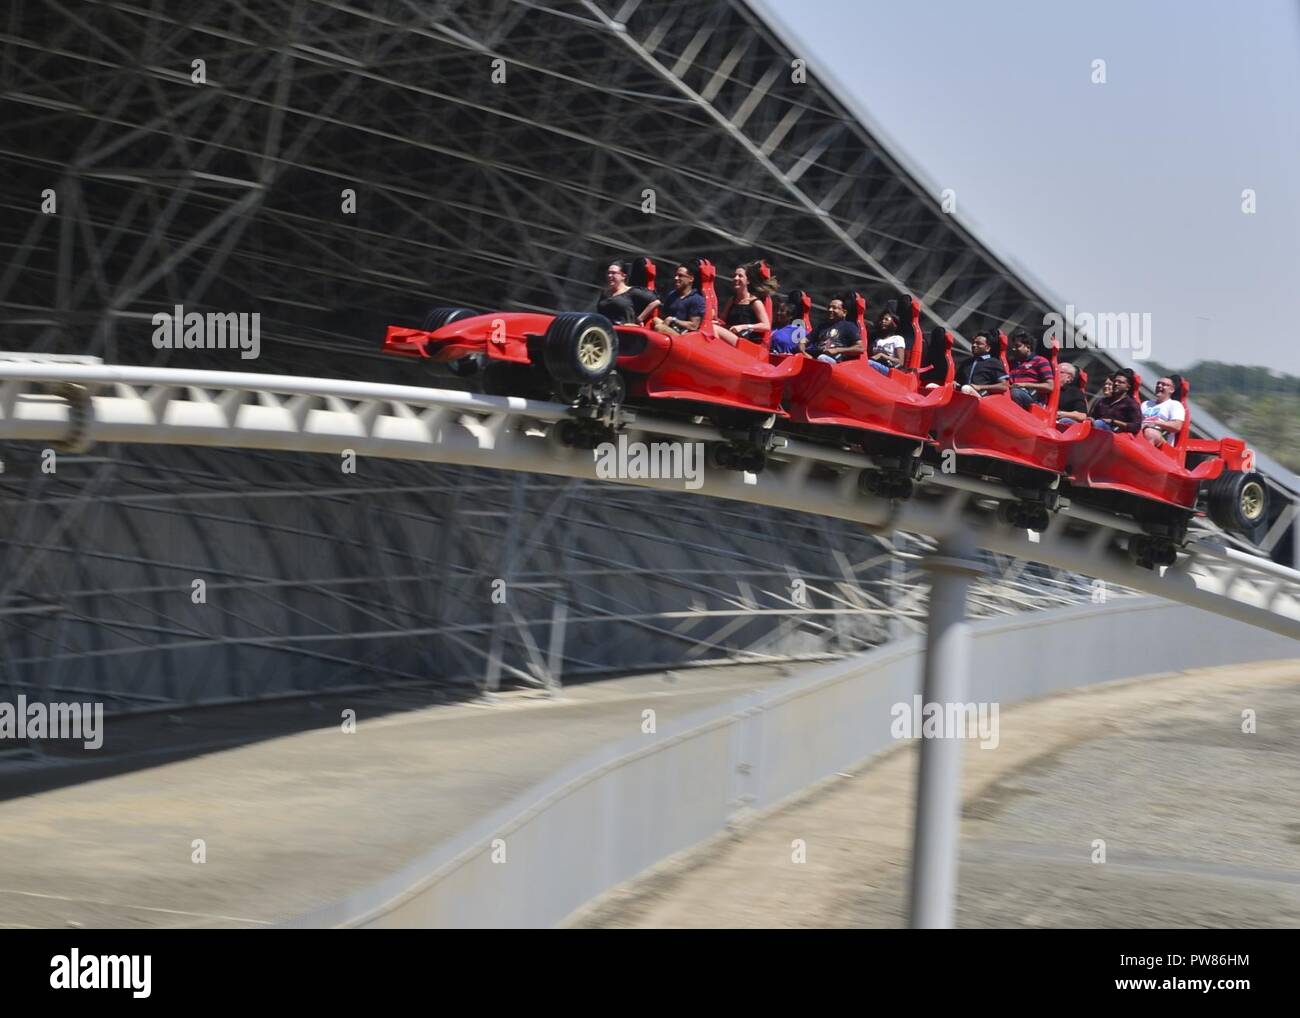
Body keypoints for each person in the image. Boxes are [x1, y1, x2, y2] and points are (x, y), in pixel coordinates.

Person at [714, 261, 779, 347]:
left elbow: (766, 326)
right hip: (732, 337)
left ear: (748, 281)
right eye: (735, 275)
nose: (736, 278)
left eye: (740, 276)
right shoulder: (732, 300)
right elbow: (722, 321)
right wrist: (715, 322)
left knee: (715, 329)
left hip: (747, 343)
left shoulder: (755, 302)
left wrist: (744, 327)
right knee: (712, 327)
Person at [651, 263, 706, 335]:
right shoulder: (672, 295)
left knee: (659, 328)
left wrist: (674, 320)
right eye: (676, 275)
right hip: (669, 328)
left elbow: (694, 326)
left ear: (691, 279)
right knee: (655, 320)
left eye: (680, 276)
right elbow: (663, 316)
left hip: (683, 336)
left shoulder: (696, 299)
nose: (676, 278)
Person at [808, 296, 863, 364]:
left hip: (836, 362)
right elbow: (805, 341)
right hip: (817, 358)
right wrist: (803, 352)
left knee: (822, 358)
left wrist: (837, 350)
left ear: (844, 312)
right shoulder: (821, 326)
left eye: (834, 308)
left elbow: (860, 348)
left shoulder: (849, 326)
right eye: (829, 307)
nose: (830, 310)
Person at [1006, 330, 1053, 408]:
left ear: (1028, 347)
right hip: (1013, 394)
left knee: (1015, 393)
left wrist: (1024, 385)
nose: (1014, 349)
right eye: (1013, 347)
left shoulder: (1040, 361)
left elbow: (1049, 386)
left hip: (1033, 401)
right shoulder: (1012, 363)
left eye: (1017, 346)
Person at [954, 331, 1008, 396]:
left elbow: (1003, 386)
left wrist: (980, 387)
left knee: (966, 388)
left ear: (987, 348)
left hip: (983, 397)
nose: (974, 345)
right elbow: (957, 380)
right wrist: (954, 383)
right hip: (963, 394)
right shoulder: (966, 362)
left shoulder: (994, 362)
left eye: (978, 343)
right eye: (973, 343)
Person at [1139, 375, 1186, 447]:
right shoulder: (1146, 404)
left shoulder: (1175, 405)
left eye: (1164, 385)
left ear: (1172, 390)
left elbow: (1177, 426)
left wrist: (1155, 423)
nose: (1159, 386)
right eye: (1158, 383)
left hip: (1161, 439)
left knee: (1150, 433)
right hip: (1142, 431)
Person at [864, 311, 907, 376]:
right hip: (875, 364)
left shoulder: (897, 338)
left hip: (889, 369)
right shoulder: (877, 340)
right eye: (882, 319)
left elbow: (900, 362)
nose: (883, 321)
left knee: (868, 363)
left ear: (894, 323)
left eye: (886, 319)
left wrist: (882, 356)